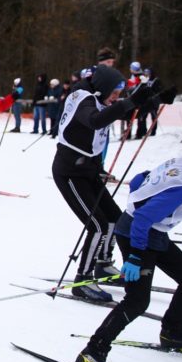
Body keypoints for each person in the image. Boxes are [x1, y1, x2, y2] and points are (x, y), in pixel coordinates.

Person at [75, 125, 182, 362]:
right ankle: (93, 351)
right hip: (138, 235)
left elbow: (140, 179)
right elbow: (142, 218)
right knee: (137, 300)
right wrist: (136, 256)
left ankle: (173, 332)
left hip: (154, 234)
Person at [52, 64, 162, 301]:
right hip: (69, 172)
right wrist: (129, 102)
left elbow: (124, 112)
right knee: (98, 225)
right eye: (114, 92)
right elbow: (94, 120)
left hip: (88, 171)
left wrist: (152, 100)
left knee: (115, 218)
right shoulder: (82, 98)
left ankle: (102, 263)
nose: (116, 97)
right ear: (103, 87)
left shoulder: (100, 99)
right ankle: (82, 279)